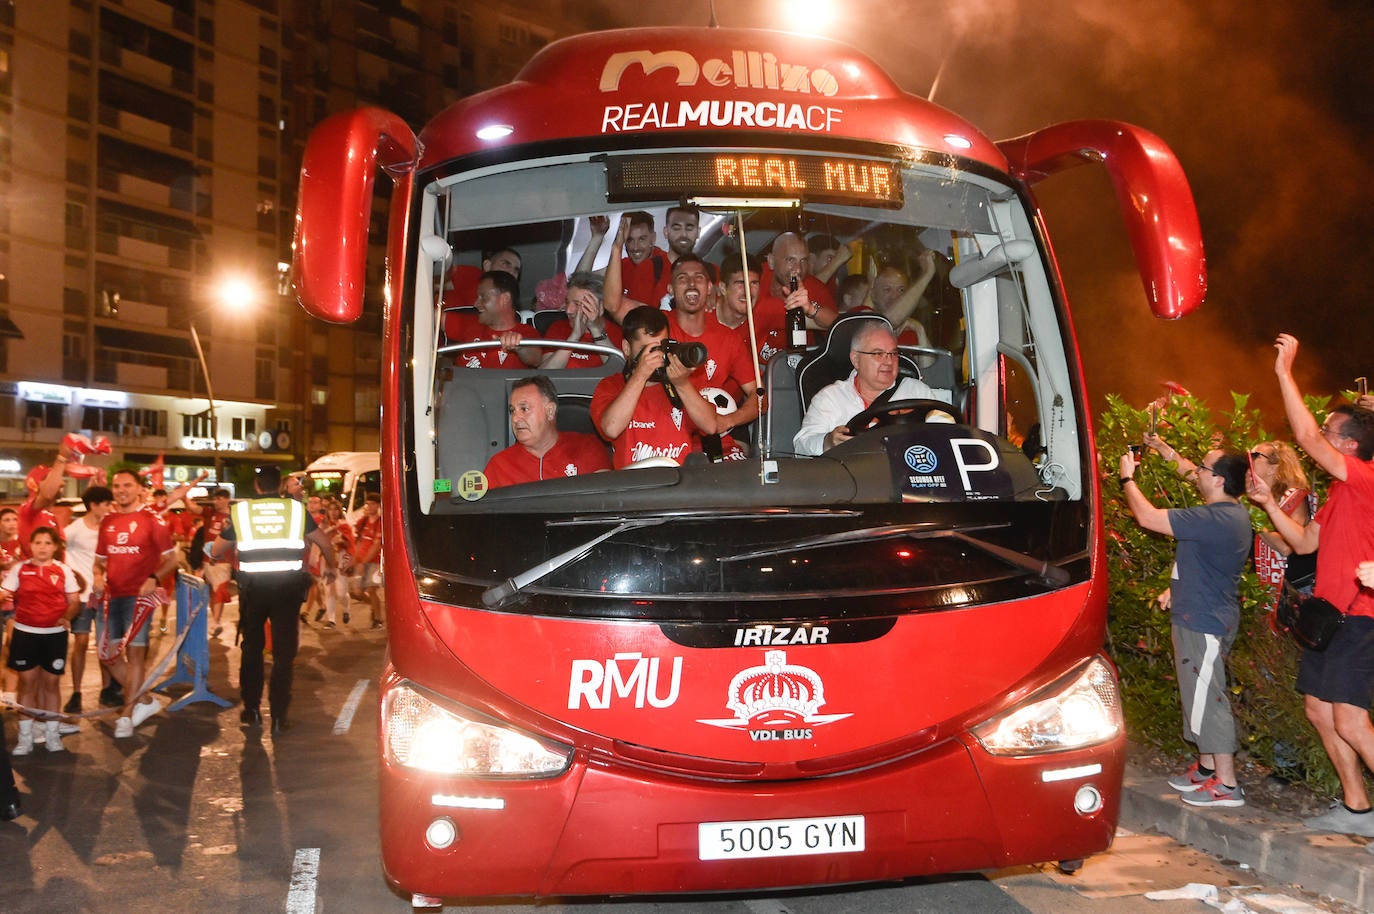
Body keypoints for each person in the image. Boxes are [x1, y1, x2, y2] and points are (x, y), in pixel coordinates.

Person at [1246, 333, 1374, 837]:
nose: (1320, 431)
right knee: (1320, 711)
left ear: (1348, 445)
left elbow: (1305, 438)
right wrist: (1267, 504)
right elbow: (1303, 545)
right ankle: (1358, 808)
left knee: (1350, 721)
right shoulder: (1343, 491)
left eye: (1329, 430)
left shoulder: (1364, 478)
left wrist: (1284, 373)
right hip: (1330, 616)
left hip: (1360, 617)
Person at [1120, 447, 1252, 807]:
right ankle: (1209, 769)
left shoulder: (1218, 517)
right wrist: (1174, 589)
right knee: (1197, 694)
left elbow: (1147, 517)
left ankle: (1227, 785)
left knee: (1209, 697)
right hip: (1197, 611)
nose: (1197, 472)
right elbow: (1206, 565)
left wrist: (1127, 478)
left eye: (1203, 468)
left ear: (1219, 479)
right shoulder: (1220, 516)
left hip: (1205, 619)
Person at [211, 465, 328, 735]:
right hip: (287, 591)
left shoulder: (241, 511)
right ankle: (278, 717)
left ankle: (251, 711)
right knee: (283, 655)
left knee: (251, 651)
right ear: (279, 485)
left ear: (257, 484)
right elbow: (324, 543)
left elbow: (218, 550)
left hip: (253, 591)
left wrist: (218, 555)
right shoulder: (297, 511)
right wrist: (332, 567)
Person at [93, 469, 179, 739]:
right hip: (113, 595)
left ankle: (127, 716)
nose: (121, 490)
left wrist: (155, 577)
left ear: (140, 488)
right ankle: (144, 701)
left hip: (140, 599)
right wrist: (97, 576)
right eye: (116, 485)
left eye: (127, 485)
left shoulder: (152, 520)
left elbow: (172, 560)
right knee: (108, 655)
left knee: (136, 655)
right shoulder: (108, 521)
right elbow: (100, 560)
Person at [590, 306, 725, 468]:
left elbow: (711, 426)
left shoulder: (680, 384)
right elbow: (611, 429)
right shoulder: (611, 386)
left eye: (660, 348)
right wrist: (640, 375)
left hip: (677, 485)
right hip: (633, 486)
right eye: (647, 350)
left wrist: (682, 384)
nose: (656, 356)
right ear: (627, 348)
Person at [793, 321, 952, 456]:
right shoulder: (830, 398)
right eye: (878, 354)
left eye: (893, 354)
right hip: (855, 484)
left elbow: (949, 434)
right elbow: (801, 444)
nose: (889, 361)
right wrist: (827, 441)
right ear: (856, 359)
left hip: (907, 482)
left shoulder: (917, 391)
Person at [3, 527, 80, 755]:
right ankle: (25, 738)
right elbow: (4, 590)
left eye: (47, 542)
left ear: (55, 546)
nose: (42, 547)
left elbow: (74, 601)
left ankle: (52, 735)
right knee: (27, 685)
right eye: (38, 542)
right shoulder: (19, 569)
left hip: (54, 637)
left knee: (51, 685)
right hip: (25, 634)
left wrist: (67, 616)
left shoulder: (64, 570)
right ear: (31, 545)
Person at [714, 252, 836, 372]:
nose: (748, 291)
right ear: (723, 288)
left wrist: (810, 309)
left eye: (754, 283)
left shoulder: (765, 310)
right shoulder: (704, 313)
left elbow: (834, 323)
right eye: (740, 283)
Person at [484, 376, 611, 487]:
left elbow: (606, 499)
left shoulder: (587, 447)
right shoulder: (500, 465)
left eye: (524, 409)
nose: (516, 419)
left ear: (550, 411)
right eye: (512, 411)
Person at [61, 484, 115, 715]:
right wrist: (70, 579)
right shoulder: (74, 529)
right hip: (82, 598)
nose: (110, 507)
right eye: (106, 503)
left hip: (105, 595)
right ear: (94, 505)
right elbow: (58, 551)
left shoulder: (111, 528)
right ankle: (76, 692)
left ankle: (108, 689)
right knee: (81, 643)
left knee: (106, 645)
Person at [443, 270, 542, 369]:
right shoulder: (469, 325)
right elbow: (435, 318)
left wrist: (519, 346)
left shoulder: (527, 333)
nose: (476, 304)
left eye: (483, 297)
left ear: (504, 299)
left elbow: (535, 359)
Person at [537, 272, 622, 369]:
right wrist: (574, 338)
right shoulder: (558, 328)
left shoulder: (617, 333)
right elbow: (545, 373)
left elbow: (618, 373)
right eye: (567, 302)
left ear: (600, 307)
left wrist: (596, 331)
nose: (568, 310)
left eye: (577, 304)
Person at [190, 487, 234, 638]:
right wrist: (183, 497)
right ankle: (216, 620)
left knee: (220, 590)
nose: (216, 501)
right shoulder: (210, 513)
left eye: (219, 499)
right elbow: (194, 508)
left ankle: (216, 621)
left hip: (224, 561)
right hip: (207, 560)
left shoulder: (234, 517)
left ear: (227, 499)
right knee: (212, 592)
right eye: (215, 499)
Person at [442, 246, 522, 310]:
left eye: (516, 270)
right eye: (505, 264)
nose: (511, 272)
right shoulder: (472, 275)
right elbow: (434, 284)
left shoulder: (508, 304)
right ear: (487, 265)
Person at [352, 491, 384, 629]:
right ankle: (374, 606)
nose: (369, 506)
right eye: (367, 504)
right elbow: (356, 541)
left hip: (375, 562)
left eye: (372, 504)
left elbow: (376, 546)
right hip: (360, 561)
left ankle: (378, 619)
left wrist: (363, 562)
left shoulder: (380, 523)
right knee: (356, 592)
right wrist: (355, 559)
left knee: (371, 589)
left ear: (378, 506)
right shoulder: (362, 522)